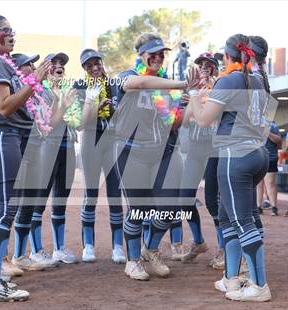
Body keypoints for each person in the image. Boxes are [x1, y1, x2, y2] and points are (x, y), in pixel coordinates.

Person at [0, 15, 51, 302]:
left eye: (12, 30)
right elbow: (4, 107)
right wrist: (34, 81)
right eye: (5, 31)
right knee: (3, 213)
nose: (12, 35)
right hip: (2, 140)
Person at [190, 33, 273, 302]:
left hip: (235, 156)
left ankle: (260, 286)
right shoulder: (260, 80)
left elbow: (203, 120)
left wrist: (194, 96)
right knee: (231, 217)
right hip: (257, 153)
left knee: (240, 220)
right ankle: (231, 278)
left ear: (228, 56)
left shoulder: (231, 78)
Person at [113, 32, 188, 280]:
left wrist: (185, 105)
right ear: (141, 56)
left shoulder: (167, 84)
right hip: (131, 152)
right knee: (139, 209)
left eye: (161, 54)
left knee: (168, 208)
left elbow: (174, 123)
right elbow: (141, 84)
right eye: (151, 54)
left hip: (163, 152)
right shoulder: (127, 76)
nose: (157, 58)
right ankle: (132, 261)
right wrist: (181, 85)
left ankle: (151, 251)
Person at [25, 52, 79, 265]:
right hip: (47, 147)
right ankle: (36, 251)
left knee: (60, 201)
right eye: (54, 63)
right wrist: (61, 101)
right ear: (45, 69)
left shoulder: (67, 90)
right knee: (39, 199)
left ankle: (58, 249)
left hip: (68, 146)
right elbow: (48, 124)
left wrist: (91, 104)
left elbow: (77, 122)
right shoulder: (39, 91)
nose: (59, 67)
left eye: (62, 64)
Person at [74, 48, 126, 263]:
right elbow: (80, 122)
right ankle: (88, 245)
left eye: (97, 63)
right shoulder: (79, 86)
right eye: (89, 65)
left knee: (115, 193)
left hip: (112, 141)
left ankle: (117, 247)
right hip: (90, 140)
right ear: (84, 69)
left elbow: (124, 113)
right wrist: (96, 106)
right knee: (91, 194)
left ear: (102, 63)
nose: (95, 68)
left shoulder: (114, 86)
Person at [178, 52, 224, 267]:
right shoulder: (193, 91)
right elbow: (186, 122)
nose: (204, 67)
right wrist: (193, 99)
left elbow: (211, 119)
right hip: (196, 149)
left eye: (208, 65)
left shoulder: (222, 88)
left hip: (215, 149)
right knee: (184, 198)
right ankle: (198, 242)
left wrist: (199, 103)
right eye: (200, 65)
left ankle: (224, 249)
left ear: (216, 68)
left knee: (213, 200)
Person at [249, 35, 282, 217]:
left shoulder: (252, 75)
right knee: (252, 198)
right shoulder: (259, 75)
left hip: (256, 151)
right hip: (258, 151)